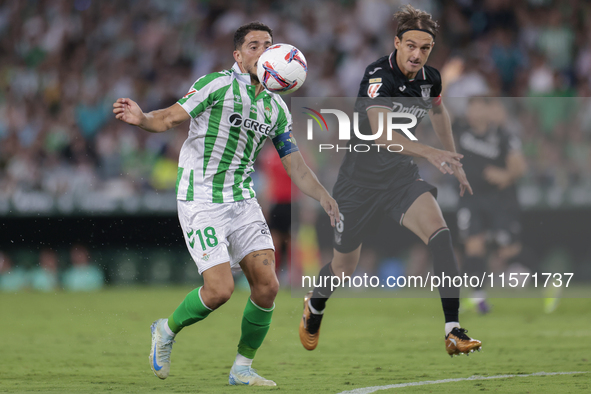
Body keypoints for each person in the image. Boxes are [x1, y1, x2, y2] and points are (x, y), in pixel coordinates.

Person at [113, 22, 339, 386]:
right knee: (219, 290)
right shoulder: (216, 85)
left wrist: (324, 195)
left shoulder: (276, 108)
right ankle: (165, 330)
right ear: (237, 55)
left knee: (267, 286)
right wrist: (142, 119)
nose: (263, 52)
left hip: (242, 199)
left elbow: (294, 163)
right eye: (253, 46)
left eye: (268, 45)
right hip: (200, 197)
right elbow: (170, 117)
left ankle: (242, 368)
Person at [299, 5, 482, 357]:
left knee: (441, 235)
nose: (417, 54)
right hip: (358, 184)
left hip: (400, 179)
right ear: (396, 42)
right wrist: (430, 152)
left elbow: (440, 111)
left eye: (425, 48)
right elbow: (382, 135)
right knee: (343, 269)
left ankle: (453, 330)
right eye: (411, 45)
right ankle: (315, 306)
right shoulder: (377, 77)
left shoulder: (431, 79)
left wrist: (453, 158)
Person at [455, 97, 527, 313]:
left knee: (507, 248)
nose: (473, 113)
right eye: (471, 108)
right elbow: (437, 111)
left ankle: (547, 278)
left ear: (488, 111)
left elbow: (520, 167)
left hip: (498, 199)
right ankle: (479, 299)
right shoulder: (460, 129)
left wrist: (505, 174)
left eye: (478, 108)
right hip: (469, 197)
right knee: (473, 246)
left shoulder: (504, 136)